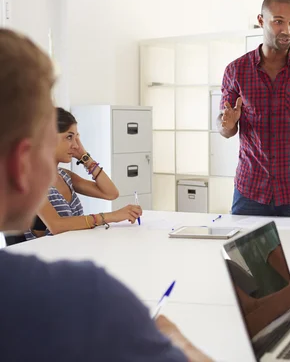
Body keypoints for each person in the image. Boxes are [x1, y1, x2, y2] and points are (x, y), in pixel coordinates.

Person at [0, 28, 211, 361]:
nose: (73, 144)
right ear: (21, 162)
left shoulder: (67, 176)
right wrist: (178, 341)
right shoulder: (83, 297)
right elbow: (60, 225)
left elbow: (109, 191)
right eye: (53, 139)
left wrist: (83, 154)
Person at [218, 0, 290, 217]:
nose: (287, 30)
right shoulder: (236, 70)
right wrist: (228, 124)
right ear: (261, 21)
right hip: (251, 190)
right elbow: (225, 127)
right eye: (278, 21)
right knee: (247, 253)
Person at [27, 107, 142, 238]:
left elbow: (110, 193)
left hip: (72, 250)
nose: (76, 145)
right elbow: (56, 225)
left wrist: (85, 157)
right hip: (46, 256)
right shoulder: (31, 179)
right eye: (69, 137)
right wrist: (111, 216)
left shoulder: (64, 175)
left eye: (77, 138)